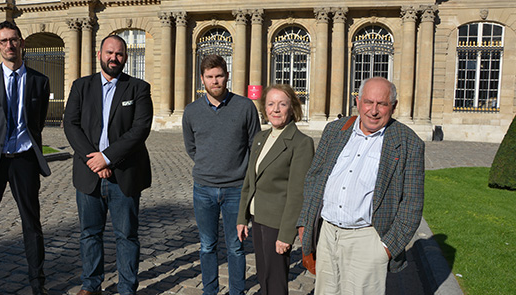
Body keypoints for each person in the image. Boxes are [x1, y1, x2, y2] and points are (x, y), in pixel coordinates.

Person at [296, 77, 425, 295]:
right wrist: (304, 221)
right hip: (327, 235)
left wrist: (386, 248)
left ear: (393, 107)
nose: (373, 111)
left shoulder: (408, 143)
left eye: (382, 104)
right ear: (358, 102)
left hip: (367, 240)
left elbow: (412, 204)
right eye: (368, 102)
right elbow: (314, 178)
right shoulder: (335, 130)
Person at [63, 34, 153, 295]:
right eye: (109, 53)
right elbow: (71, 124)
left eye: (120, 54)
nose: (114, 58)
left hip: (124, 174)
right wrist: (95, 159)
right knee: (89, 234)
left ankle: (127, 287)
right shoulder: (81, 86)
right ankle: (91, 285)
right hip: (89, 173)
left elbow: (140, 129)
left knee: (126, 236)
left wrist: (108, 157)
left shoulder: (138, 88)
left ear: (125, 57)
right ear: (100, 54)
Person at [0, 21, 51, 295]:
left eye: (13, 40)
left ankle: (37, 284)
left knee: (32, 223)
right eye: (3, 41)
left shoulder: (39, 81)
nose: (9, 45)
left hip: (24, 159)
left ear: (21, 43)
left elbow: (36, 122)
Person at [182, 54, 261, 295]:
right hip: (203, 189)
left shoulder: (245, 107)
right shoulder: (192, 111)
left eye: (219, 76)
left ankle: (237, 291)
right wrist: (209, 165)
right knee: (207, 246)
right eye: (209, 77)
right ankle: (210, 291)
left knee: (236, 247)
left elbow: (254, 146)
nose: (215, 81)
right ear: (202, 79)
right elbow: (191, 147)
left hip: (236, 190)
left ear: (226, 76)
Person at [236, 84, 315, 294]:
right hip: (258, 217)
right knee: (264, 277)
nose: (276, 109)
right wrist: (242, 218)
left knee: (276, 282)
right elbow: (249, 181)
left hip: (277, 224)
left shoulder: (301, 143)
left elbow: (297, 194)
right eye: (271, 104)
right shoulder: (260, 138)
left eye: (282, 104)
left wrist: (286, 235)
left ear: (292, 108)